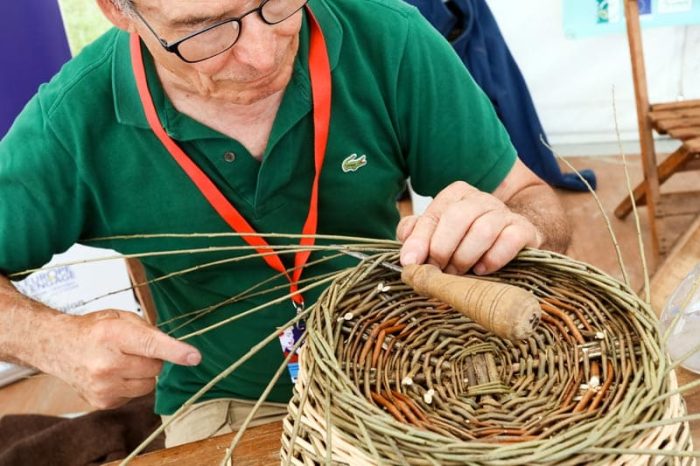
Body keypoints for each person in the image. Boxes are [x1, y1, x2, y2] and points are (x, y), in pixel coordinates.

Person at [0, 0, 570, 448]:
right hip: (229, 397)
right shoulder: (72, 122)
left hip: (409, 361)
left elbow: (527, 195)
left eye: (275, 4)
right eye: (204, 29)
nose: (262, 56)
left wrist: (518, 223)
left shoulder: (387, 36)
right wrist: (54, 340)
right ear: (120, 12)